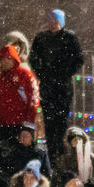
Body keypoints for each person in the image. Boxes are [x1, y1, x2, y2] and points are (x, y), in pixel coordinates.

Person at [29, 10, 83, 152]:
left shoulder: (69, 38)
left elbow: (79, 59)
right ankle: (52, 153)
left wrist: (66, 72)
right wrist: (42, 73)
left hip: (63, 86)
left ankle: (61, 152)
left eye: (56, 22)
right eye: (51, 22)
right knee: (49, 121)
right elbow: (33, 58)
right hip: (48, 85)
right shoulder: (41, 38)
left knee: (62, 121)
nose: (53, 25)